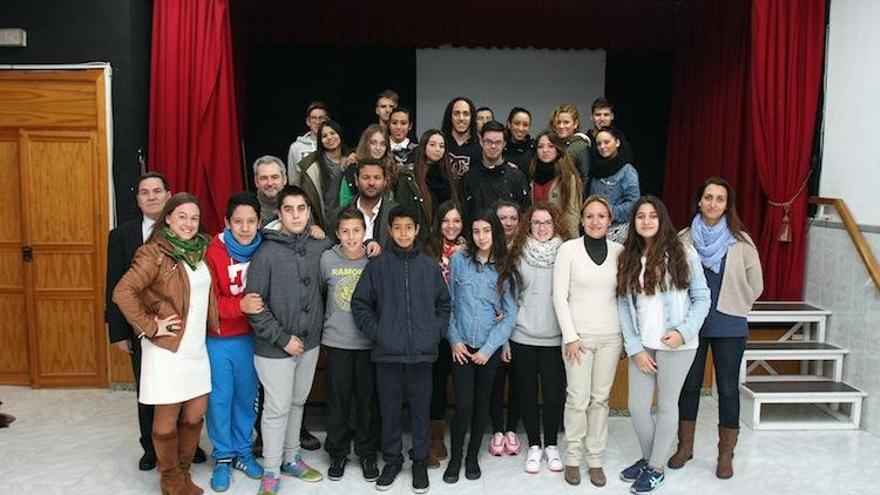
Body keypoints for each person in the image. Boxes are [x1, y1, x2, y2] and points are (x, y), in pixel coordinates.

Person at [113, 192, 218, 495]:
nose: (188, 223)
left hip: (196, 348)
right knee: (166, 421)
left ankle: (182, 472)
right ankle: (170, 478)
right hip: (167, 349)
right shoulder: (154, 252)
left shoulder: (200, 251)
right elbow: (123, 292)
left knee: (195, 415)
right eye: (182, 216)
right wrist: (149, 326)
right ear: (168, 218)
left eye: (194, 217)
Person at [351, 205, 452, 493]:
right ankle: (392, 459)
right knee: (390, 410)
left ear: (417, 230)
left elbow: (444, 303)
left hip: (422, 352)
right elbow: (360, 304)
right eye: (398, 228)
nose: (404, 233)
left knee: (421, 409)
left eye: (409, 227)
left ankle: (419, 460)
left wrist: (435, 332)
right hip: (387, 353)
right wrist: (379, 333)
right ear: (390, 231)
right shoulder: (378, 267)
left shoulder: (429, 266)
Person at [670, 177, 763, 479]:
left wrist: (740, 302)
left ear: (727, 205)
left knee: (727, 389)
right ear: (699, 201)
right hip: (692, 325)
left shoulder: (741, 241)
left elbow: (756, 284)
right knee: (689, 386)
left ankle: (725, 454)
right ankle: (685, 447)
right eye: (708, 197)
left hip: (729, 324)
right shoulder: (683, 239)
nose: (712, 203)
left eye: (719, 199)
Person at [616, 196, 710, 495]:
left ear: (662, 219)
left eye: (652, 216)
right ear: (634, 222)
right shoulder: (628, 257)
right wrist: (635, 348)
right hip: (644, 345)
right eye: (640, 216)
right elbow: (623, 306)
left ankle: (655, 468)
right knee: (637, 407)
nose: (646, 221)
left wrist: (684, 331)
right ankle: (649, 458)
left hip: (677, 345)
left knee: (667, 405)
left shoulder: (683, 252)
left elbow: (702, 297)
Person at [245, 186, 334, 495]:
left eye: (301, 209)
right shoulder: (265, 253)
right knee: (277, 408)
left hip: (309, 343)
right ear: (279, 214)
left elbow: (343, 257)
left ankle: (292, 457)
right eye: (289, 209)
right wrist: (283, 339)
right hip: (275, 347)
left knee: (297, 403)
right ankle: (271, 469)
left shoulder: (320, 246)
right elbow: (255, 306)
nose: (296, 215)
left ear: (309, 212)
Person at [552, 195, 624, 487]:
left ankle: (594, 459)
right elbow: (559, 296)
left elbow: (624, 297)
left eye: (601, 216)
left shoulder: (620, 251)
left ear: (610, 221)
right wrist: (570, 336)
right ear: (581, 220)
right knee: (578, 399)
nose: (595, 221)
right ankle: (572, 457)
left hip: (611, 337)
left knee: (600, 400)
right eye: (590, 216)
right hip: (577, 339)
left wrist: (625, 338)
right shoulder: (568, 250)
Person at [444, 210, 518, 484]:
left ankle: (472, 456)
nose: (481, 236)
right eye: (476, 231)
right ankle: (455, 457)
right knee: (463, 405)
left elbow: (509, 314)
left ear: (494, 232)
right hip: (461, 346)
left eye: (486, 230)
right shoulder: (459, 260)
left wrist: (489, 349)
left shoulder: (505, 264)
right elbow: (448, 303)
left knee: (480, 405)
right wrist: (454, 340)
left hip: (489, 348)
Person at [106, 172, 172, 471]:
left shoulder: (183, 229)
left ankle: (186, 444)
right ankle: (150, 447)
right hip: (138, 327)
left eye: (157, 191)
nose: (152, 197)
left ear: (168, 196)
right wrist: (118, 331)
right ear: (138, 199)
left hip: (176, 325)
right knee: (147, 388)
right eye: (145, 192)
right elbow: (114, 284)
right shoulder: (121, 236)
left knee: (178, 388)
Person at [203, 192, 265, 491]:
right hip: (220, 338)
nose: (244, 227)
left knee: (246, 397)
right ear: (227, 222)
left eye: (251, 221)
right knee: (220, 398)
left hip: (252, 338)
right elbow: (207, 299)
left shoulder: (265, 247)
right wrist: (237, 306)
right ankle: (223, 456)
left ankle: (242, 450)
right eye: (238, 221)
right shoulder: (212, 251)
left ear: (259, 222)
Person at [508, 202, 572, 475]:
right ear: (528, 225)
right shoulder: (517, 252)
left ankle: (552, 446)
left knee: (555, 394)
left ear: (555, 224)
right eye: (536, 223)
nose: (542, 228)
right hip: (522, 335)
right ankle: (534, 445)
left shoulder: (567, 252)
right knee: (527, 394)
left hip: (555, 336)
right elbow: (509, 296)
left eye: (547, 223)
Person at [321, 208, 381, 482]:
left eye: (356, 230)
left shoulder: (374, 261)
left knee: (367, 402)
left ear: (365, 232)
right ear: (337, 233)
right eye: (345, 231)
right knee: (338, 401)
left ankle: (367, 452)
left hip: (368, 344)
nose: (351, 236)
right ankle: (338, 451)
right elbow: (321, 295)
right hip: (336, 342)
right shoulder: (327, 259)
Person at [423, 200, 467, 468]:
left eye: (457, 221)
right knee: (436, 382)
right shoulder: (427, 249)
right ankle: (435, 436)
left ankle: (462, 436)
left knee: (461, 383)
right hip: (436, 326)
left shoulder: (472, 248)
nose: (451, 226)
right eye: (446, 220)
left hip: (463, 326)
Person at [487, 199, 522, 457]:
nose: (507, 223)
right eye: (502, 218)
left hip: (522, 327)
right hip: (496, 328)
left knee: (518, 381)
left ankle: (511, 429)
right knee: (495, 381)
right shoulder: (489, 250)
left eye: (513, 218)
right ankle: (498, 429)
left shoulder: (526, 250)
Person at [394, 129, 459, 245]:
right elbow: (402, 209)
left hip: (448, 238)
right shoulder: (409, 177)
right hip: (420, 240)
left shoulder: (451, 176)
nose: (437, 149)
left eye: (441, 146)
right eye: (432, 145)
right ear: (423, 146)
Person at [460, 121, 530, 223]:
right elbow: (464, 215)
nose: (493, 146)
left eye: (497, 142)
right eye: (488, 142)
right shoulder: (469, 178)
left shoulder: (517, 177)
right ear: (481, 142)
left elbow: (524, 214)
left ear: (504, 144)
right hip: (478, 236)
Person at [292, 120, 350, 234]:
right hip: (323, 222)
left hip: (350, 220)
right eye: (324, 136)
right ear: (320, 141)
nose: (329, 137)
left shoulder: (353, 159)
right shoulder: (310, 166)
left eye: (333, 133)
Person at [589, 127, 640, 243]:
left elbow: (634, 204)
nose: (602, 147)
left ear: (617, 142)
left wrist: (608, 212)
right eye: (598, 144)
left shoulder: (627, 170)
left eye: (607, 142)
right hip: (595, 229)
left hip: (618, 232)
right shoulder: (596, 169)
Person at [529, 130, 583, 236]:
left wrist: (570, 243)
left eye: (550, 146)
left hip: (560, 237)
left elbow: (573, 214)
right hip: (535, 237)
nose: (545, 150)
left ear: (557, 150)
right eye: (540, 147)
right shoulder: (531, 176)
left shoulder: (568, 177)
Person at [340, 124, 394, 209]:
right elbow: (344, 205)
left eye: (383, 144)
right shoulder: (351, 171)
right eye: (373, 143)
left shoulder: (392, 169)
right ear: (366, 144)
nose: (378, 148)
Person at [549, 103, 591, 185]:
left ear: (575, 124)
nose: (561, 126)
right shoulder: (551, 145)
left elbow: (585, 178)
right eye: (558, 122)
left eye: (566, 122)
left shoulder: (581, 146)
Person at [441, 97, 482, 179]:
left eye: (466, 114)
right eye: (456, 113)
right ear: (450, 117)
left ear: (472, 117)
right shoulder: (440, 144)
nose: (461, 118)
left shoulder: (481, 147)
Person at [288, 101, 329, 180]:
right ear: (308, 121)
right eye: (314, 118)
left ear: (327, 120)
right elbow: (293, 178)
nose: (317, 122)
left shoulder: (332, 144)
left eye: (321, 118)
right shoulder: (296, 147)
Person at [587, 97, 635, 165]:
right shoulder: (586, 140)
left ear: (612, 116)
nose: (602, 119)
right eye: (598, 115)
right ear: (592, 117)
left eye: (606, 115)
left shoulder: (621, 139)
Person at [253, 156, 287, 227]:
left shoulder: (298, 207)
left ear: (284, 179)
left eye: (275, 177)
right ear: (256, 182)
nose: (270, 183)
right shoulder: (249, 210)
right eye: (264, 178)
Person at [388, 106, 418, 172]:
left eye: (403, 123)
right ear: (389, 124)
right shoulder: (381, 147)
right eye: (394, 123)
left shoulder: (417, 150)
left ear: (410, 126)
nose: (398, 127)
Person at [504, 107, 534, 171]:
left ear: (529, 127)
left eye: (525, 125)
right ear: (509, 124)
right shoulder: (500, 147)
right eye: (517, 123)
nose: (521, 129)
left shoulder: (534, 149)